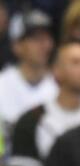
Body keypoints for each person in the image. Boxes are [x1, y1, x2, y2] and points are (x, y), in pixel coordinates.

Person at [0, 10, 56, 143]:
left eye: (48, 38)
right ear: (17, 46)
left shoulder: (60, 84)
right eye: (36, 39)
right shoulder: (2, 84)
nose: (45, 45)